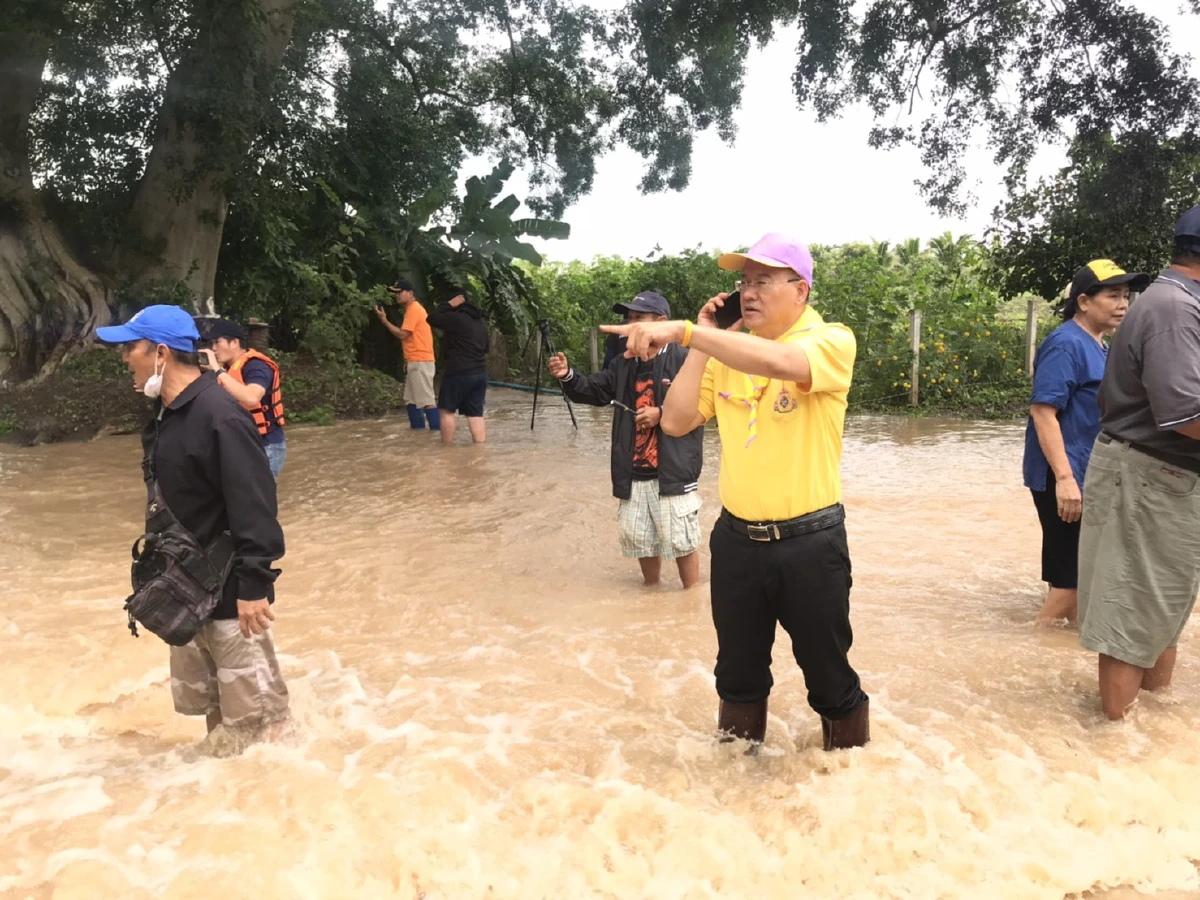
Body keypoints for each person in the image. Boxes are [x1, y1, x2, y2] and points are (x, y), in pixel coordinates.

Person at [602, 233, 870, 753]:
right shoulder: (722, 353)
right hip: (737, 543)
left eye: (763, 280)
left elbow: (780, 364)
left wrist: (682, 333)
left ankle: (847, 783)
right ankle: (735, 786)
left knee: (829, 678)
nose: (748, 292)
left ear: (801, 290)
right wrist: (702, 337)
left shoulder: (832, 341)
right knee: (738, 676)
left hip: (810, 543)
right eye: (743, 282)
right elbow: (677, 422)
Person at [96, 305, 289, 746]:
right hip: (186, 590)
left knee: (262, 723)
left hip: (234, 599)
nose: (126, 358)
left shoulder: (219, 415)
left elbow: (255, 504)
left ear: (161, 352)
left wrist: (254, 585)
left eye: (131, 347)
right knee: (216, 714)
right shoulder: (167, 415)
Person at [1078, 206, 1200, 720]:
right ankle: (1115, 749)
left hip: (1161, 475)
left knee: (1162, 607)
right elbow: (1185, 415)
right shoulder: (1174, 310)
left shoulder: (1178, 303)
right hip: (1150, 474)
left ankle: (1148, 739)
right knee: (1131, 613)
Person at [548, 291, 705, 589]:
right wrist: (567, 374)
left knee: (682, 540)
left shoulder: (686, 359)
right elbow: (592, 390)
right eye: (629, 318)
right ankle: (652, 591)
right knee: (640, 539)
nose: (631, 325)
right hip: (633, 471)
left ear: (661, 323)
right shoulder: (622, 363)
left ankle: (691, 596)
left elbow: (705, 405)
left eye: (638, 318)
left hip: (673, 468)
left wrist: (662, 412)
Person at [1023, 260, 1147, 625]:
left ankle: (1060, 648)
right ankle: (1028, 651)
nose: (1123, 304)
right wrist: (1064, 480)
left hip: (1083, 472)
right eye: (1112, 295)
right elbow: (1043, 413)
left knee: (1073, 575)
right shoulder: (1066, 344)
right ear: (1083, 301)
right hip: (1065, 475)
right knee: (1073, 582)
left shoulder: (1099, 345)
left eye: (1126, 296)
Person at [199, 319, 289, 479]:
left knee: (258, 500)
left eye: (216, 343)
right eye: (211, 344)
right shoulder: (226, 369)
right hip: (244, 443)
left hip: (266, 446)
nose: (213, 349)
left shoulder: (256, 366)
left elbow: (251, 398)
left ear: (234, 342)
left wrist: (218, 370)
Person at [427, 287, 489, 445]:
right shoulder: (480, 322)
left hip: (459, 372)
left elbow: (432, 318)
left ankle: (446, 451)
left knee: (446, 411)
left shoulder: (457, 318)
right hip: (480, 373)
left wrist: (447, 304)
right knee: (475, 414)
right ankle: (479, 449)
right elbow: (486, 348)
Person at [375, 279, 439, 431]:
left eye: (399, 292)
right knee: (411, 400)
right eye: (395, 292)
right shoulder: (413, 309)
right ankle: (417, 434)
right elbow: (411, 338)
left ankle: (438, 435)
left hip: (420, 360)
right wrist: (407, 359)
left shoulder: (414, 310)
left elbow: (403, 335)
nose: (396, 295)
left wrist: (384, 321)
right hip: (415, 360)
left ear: (410, 294)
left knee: (427, 400)